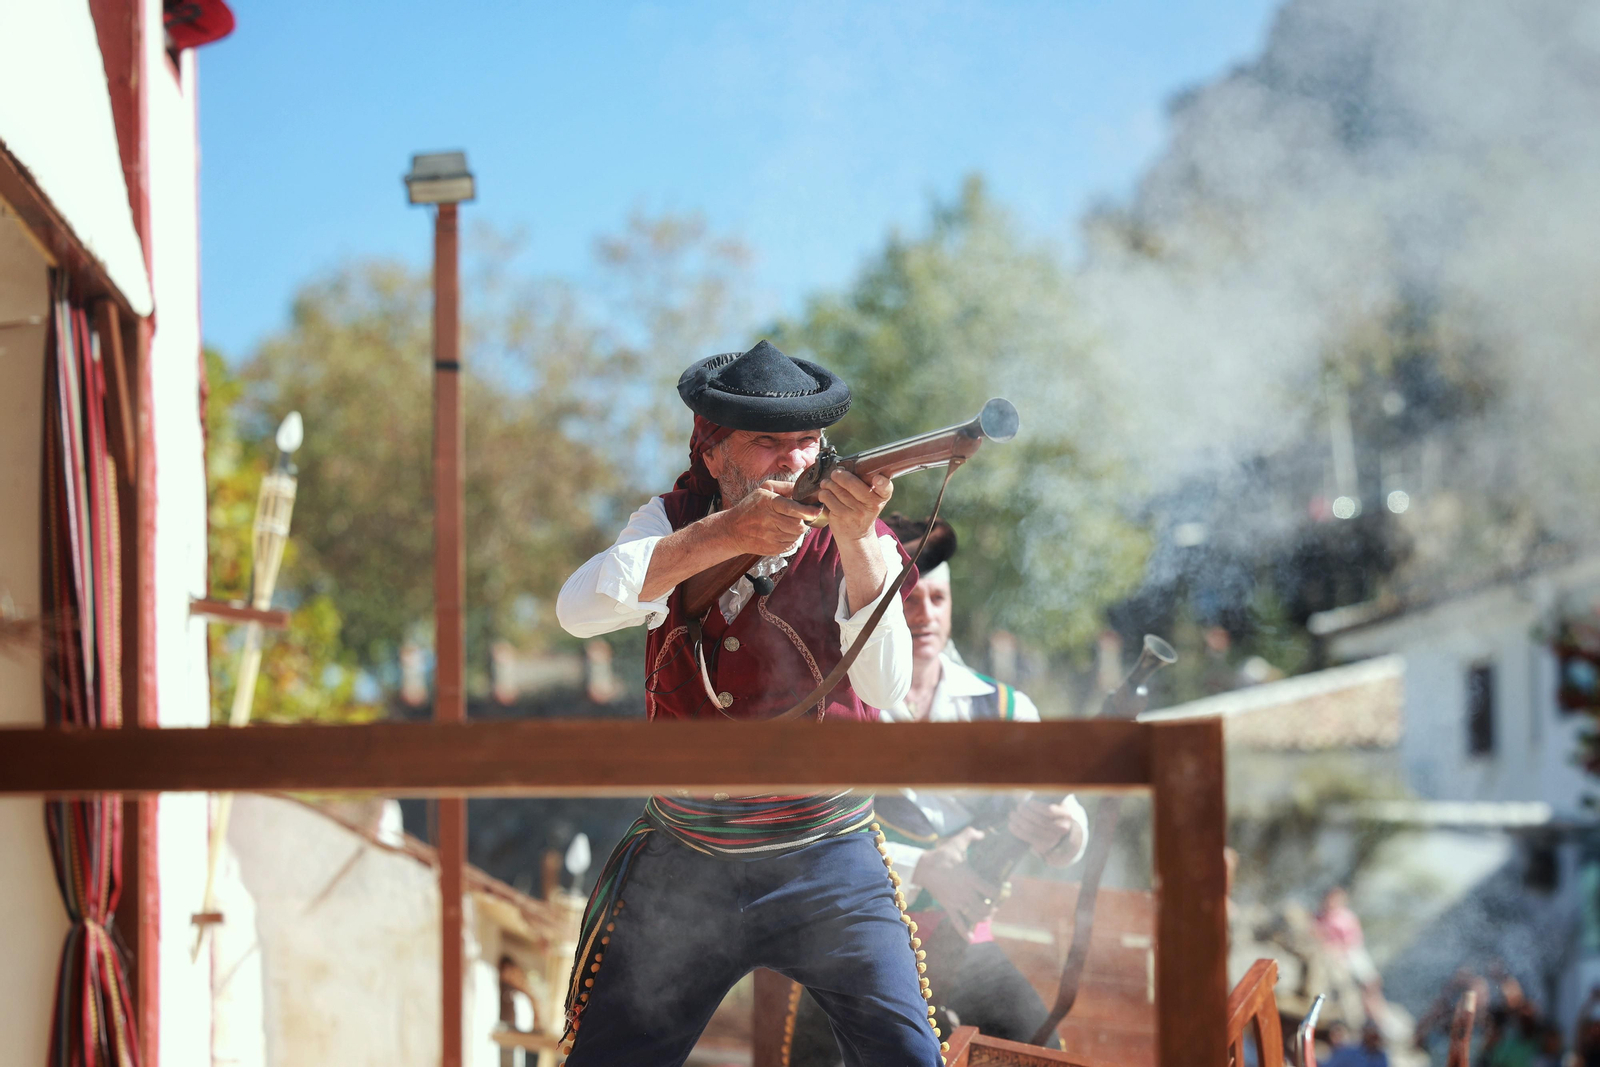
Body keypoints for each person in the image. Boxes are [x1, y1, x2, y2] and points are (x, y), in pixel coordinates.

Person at [554, 340, 942, 1067]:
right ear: (713, 452)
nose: (794, 462)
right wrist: (720, 536)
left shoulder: (861, 536)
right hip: (687, 854)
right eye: (767, 442)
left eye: (805, 442)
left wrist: (859, 540)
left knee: (908, 1057)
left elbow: (887, 689)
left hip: (828, 856)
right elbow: (577, 609)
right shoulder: (670, 519)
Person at [787, 514, 1088, 1065]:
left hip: (969, 944)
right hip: (852, 945)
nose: (926, 615)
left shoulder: (1007, 709)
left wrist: (1062, 829)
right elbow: (809, 838)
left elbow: (1066, 824)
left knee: (1042, 1055)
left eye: (939, 599)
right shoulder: (837, 711)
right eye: (909, 598)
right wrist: (924, 868)